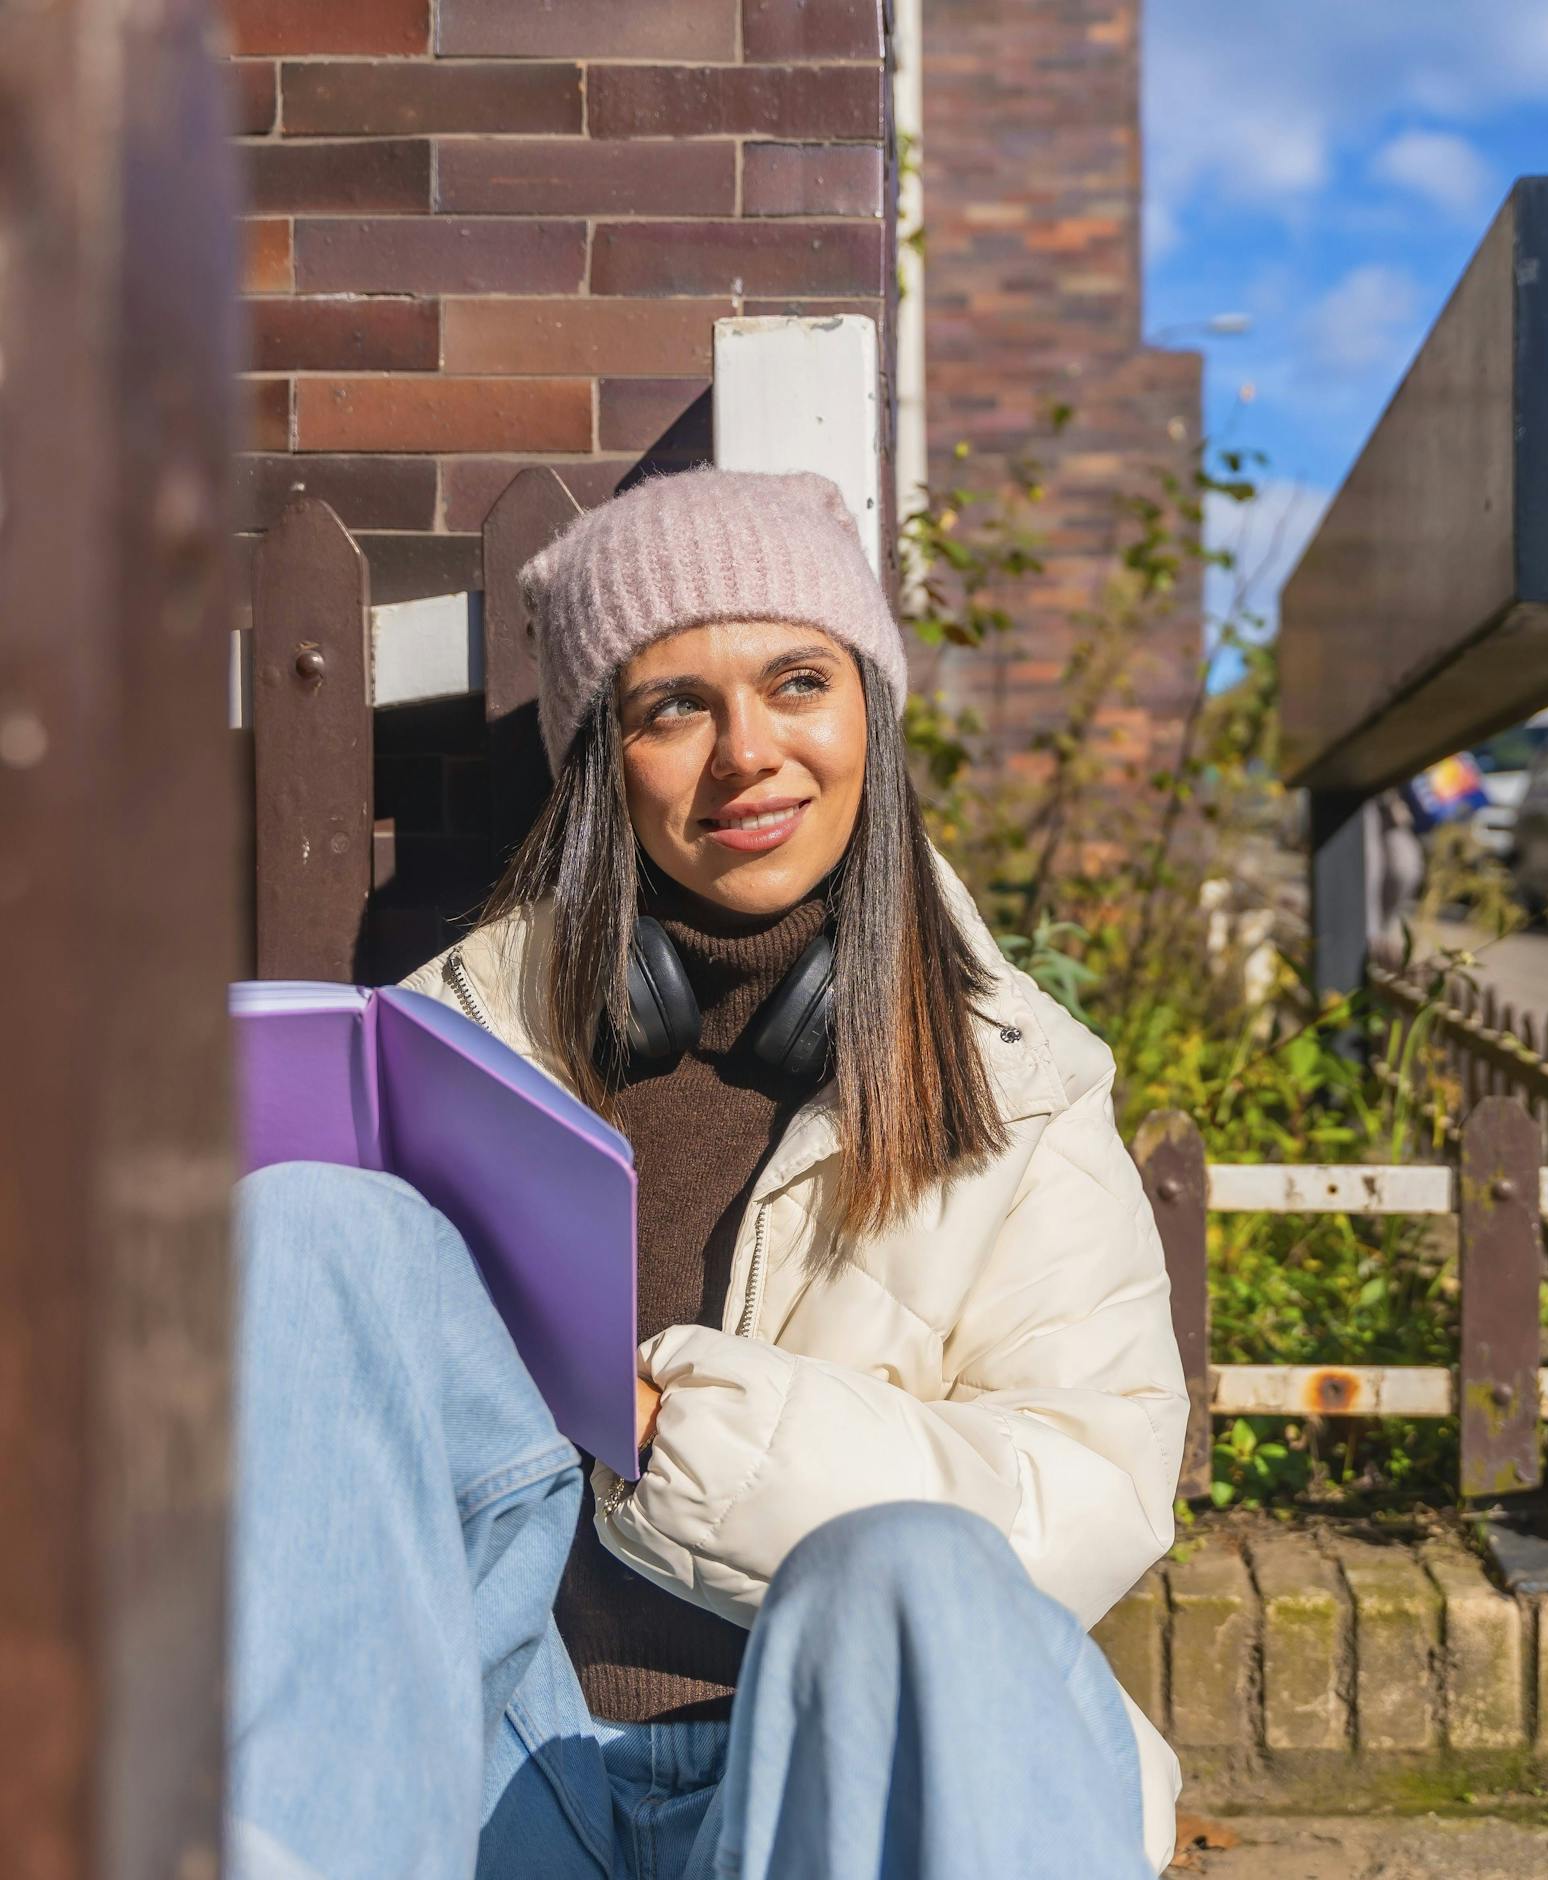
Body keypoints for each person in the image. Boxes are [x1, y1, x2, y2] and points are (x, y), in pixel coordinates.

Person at [226, 468, 1189, 1879]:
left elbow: (1089, 1502)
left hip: (821, 1781)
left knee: (914, 1570)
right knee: (305, 1229)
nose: (749, 752)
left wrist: (669, 1430)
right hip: (491, 1767)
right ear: (604, 763)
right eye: (674, 706)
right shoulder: (450, 1039)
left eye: (798, 680)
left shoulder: (1020, 1080)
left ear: (870, 708)